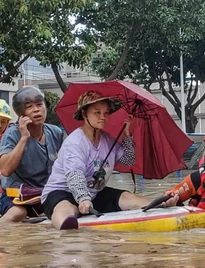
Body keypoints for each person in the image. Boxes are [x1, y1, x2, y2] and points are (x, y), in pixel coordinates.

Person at [41, 90, 162, 230]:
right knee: (67, 209)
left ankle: (164, 205)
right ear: (84, 114)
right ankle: (67, 233)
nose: (103, 117)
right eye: (97, 112)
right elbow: (75, 175)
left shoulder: (107, 139)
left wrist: (127, 134)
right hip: (62, 192)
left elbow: (128, 160)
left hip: (94, 193)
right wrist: (83, 199)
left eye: (106, 113)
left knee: (130, 198)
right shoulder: (74, 142)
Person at [0, 86, 64, 222]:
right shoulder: (12, 133)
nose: (36, 109)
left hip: (45, 193)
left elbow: (65, 166)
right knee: (18, 213)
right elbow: (5, 169)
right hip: (16, 195)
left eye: (39, 104)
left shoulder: (55, 132)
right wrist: (23, 138)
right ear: (21, 114)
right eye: (29, 106)